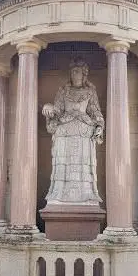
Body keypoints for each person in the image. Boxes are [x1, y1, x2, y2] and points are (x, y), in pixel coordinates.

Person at [42, 59, 104, 203]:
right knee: (62, 164)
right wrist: (48, 107)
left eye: (78, 71)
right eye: (73, 72)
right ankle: (59, 196)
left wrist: (99, 126)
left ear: (84, 75)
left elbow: (95, 112)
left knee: (84, 165)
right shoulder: (63, 91)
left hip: (84, 132)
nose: (74, 74)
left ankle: (87, 195)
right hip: (64, 132)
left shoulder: (90, 92)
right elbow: (56, 111)